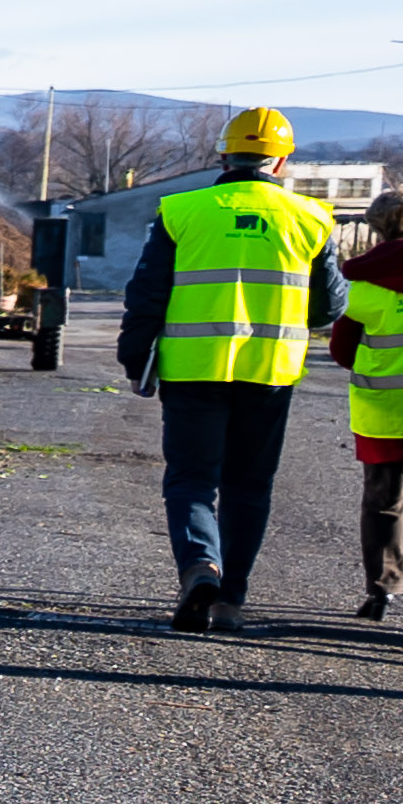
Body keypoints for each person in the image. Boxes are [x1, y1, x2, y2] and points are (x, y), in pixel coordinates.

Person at [116, 106, 342, 631]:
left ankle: (201, 567)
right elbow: (327, 308)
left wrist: (135, 359)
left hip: (193, 368)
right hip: (270, 371)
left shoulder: (181, 211)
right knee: (250, 485)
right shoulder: (314, 219)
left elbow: (146, 294)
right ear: (281, 161)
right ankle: (229, 600)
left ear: (223, 154)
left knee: (192, 480)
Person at [342, 200, 403, 618]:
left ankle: (382, 591)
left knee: (384, 502)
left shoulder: (365, 286)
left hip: (384, 412)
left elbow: (343, 349)